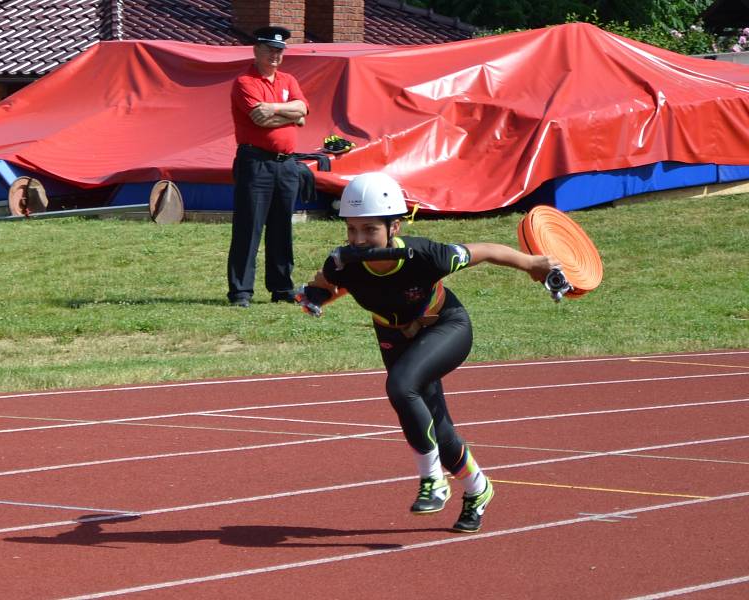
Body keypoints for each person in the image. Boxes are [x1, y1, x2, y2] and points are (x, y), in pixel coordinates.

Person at [298, 172, 560, 532]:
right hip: (393, 337)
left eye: (370, 230)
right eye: (352, 229)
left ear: (395, 226)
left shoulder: (426, 255)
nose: (359, 239)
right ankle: (477, 489)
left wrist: (533, 265)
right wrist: (314, 297)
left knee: (400, 386)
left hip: (445, 327)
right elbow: (327, 283)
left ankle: (433, 481)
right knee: (439, 428)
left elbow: (484, 251)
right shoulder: (344, 262)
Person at [227, 26, 310, 308]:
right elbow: (259, 120)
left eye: (279, 51)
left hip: (286, 164)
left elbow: (304, 110)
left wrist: (274, 109)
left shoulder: (288, 79)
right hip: (256, 163)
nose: (275, 55)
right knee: (249, 227)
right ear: (256, 51)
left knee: (281, 226)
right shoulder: (244, 82)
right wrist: (291, 114)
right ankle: (241, 291)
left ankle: (281, 287)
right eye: (269, 50)